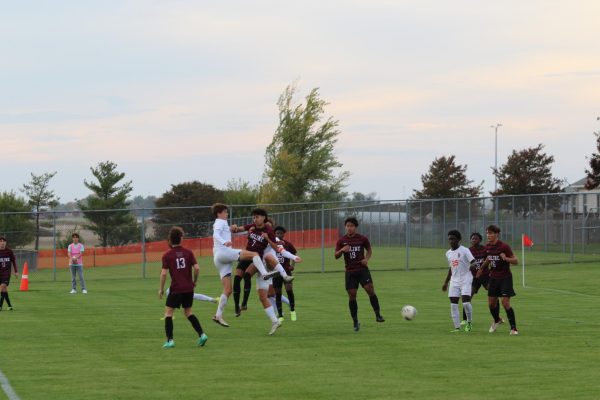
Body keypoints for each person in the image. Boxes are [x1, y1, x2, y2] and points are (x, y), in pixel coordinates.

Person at [211, 203, 274, 328]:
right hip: (224, 252)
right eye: (225, 212)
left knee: (228, 290)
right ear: (219, 213)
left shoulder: (222, 223)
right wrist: (225, 242)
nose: (227, 214)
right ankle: (265, 274)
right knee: (254, 254)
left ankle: (218, 315)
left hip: (219, 259)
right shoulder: (220, 222)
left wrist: (234, 229)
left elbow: (229, 231)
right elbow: (216, 235)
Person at [231, 211, 294, 317]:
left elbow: (277, 247)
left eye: (257, 217)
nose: (255, 219)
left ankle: (245, 303)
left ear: (264, 218)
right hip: (248, 255)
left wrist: (268, 238)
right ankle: (237, 305)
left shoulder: (270, 232)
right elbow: (239, 229)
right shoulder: (253, 227)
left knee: (269, 293)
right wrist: (234, 227)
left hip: (260, 260)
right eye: (254, 217)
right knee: (237, 278)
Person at [158, 227, 208, 348]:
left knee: (168, 313)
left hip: (176, 289)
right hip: (188, 288)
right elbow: (197, 268)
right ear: (181, 239)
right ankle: (202, 335)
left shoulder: (167, 255)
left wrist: (161, 289)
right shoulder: (188, 253)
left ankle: (170, 340)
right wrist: (194, 281)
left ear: (170, 240)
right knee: (188, 312)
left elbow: (164, 273)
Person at [334, 217, 384, 332]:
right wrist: (342, 250)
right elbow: (336, 256)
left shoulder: (362, 239)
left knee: (370, 290)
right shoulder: (341, 240)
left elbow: (369, 250)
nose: (349, 228)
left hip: (362, 269)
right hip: (350, 272)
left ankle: (378, 315)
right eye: (347, 226)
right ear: (345, 227)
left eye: (352, 226)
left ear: (355, 227)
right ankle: (355, 321)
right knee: (352, 295)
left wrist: (366, 259)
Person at [477, 224, 519, 335]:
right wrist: (481, 269)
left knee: (505, 302)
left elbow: (515, 261)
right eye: (487, 233)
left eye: (490, 233)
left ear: (497, 234)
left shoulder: (504, 246)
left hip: (505, 278)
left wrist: (506, 258)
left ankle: (514, 329)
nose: (488, 235)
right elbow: (489, 258)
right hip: (493, 278)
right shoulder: (488, 247)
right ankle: (497, 320)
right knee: (491, 304)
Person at [442, 230, 477, 332]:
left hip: (466, 278)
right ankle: (457, 327)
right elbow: (451, 268)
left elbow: (474, 262)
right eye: (449, 239)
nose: (451, 241)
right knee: (453, 304)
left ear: (458, 239)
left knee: (466, 303)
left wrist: (472, 266)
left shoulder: (465, 250)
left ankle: (469, 323)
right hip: (454, 281)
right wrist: (446, 282)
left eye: (453, 238)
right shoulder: (448, 253)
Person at [273, 226, 301, 321]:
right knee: (278, 293)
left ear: (284, 234)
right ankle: (280, 315)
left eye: (281, 233)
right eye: (277, 233)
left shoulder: (288, 244)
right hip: (276, 272)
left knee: (289, 290)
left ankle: (292, 311)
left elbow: (294, 254)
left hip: (286, 270)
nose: (279, 235)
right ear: (274, 234)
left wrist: (292, 265)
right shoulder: (272, 245)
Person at [0, 236, 18, 311]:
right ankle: (10, 306)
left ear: (5, 243)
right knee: (4, 290)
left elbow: (13, 261)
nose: (2, 243)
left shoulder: (9, 251)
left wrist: (16, 271)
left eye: (3, 241)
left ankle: (0, 306)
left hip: (6, 273)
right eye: (0, 241)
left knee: (3, 286)